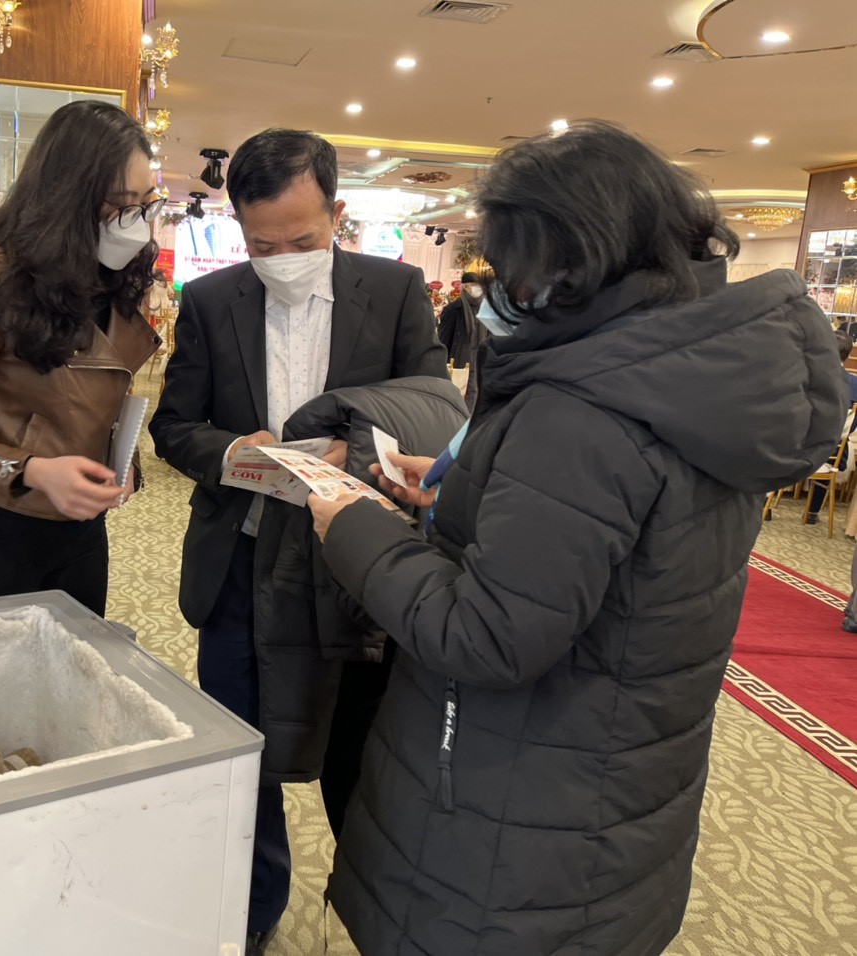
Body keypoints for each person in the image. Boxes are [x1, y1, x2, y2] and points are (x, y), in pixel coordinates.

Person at [303, 121, 847, 956]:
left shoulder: (583, 412)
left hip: (513, 814)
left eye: (515, 269)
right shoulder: (694, 380)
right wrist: (464, 493)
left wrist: (356, 528)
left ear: (576, 263)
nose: (498, 293)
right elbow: (609, 551)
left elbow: (486, 635)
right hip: (609, 786)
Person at [148, 127, 448, 953]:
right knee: (243, 759)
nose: (282, 260)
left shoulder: (395, 291)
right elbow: (174, 427)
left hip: (357, 564)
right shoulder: (212, 301)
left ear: (337, 216)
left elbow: (433, 408)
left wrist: (362, 448)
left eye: (303, 241)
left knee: (364, 756)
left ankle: (376, 914)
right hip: (242, 559)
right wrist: (232, 453)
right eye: (262, 245)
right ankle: (252, 912)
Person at [0, 101, 161, 616]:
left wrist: (123, 459)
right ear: (69, 196)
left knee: (72, 654)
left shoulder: (112, 275)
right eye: (122, 205)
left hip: (80, 524)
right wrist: (31, 470)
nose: (138, 223)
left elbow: (100, 393)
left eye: (146, 203)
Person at [802, 329, 857, 524]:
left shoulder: (805, 377)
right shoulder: (855, 385)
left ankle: (766, 504)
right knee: (835, 443)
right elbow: (852, 427)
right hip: (831, 452)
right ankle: (813, 511)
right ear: (848, 356)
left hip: (796, 446)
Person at [437, 269, 487, 367]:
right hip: (457, 364)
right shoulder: (453, 309)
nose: (478, 289)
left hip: (478, 363)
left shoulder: (484, 309)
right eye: (474, 285)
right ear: (465, 287)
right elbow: (444, 340)